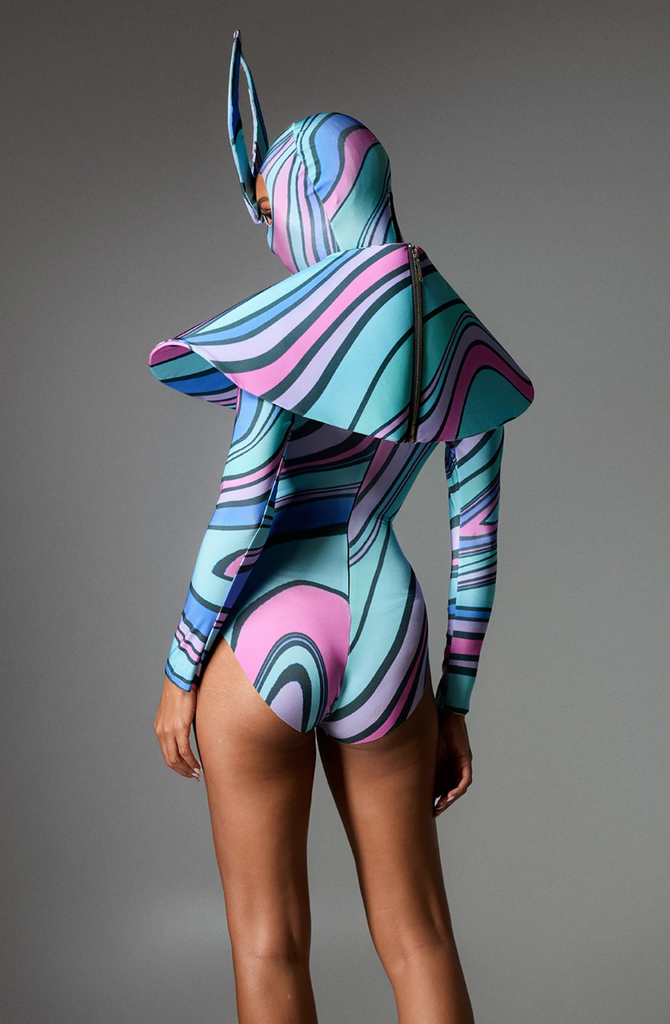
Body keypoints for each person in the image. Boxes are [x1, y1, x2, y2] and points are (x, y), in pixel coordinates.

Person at [149, 30, 535, 1024]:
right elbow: (475, 541)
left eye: (274, 211)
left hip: (269, 629)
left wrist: (180, 671)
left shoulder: (289, 332)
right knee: (419, 936)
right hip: (387, 629)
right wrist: (454, 702)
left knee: (268, 941)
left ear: (305, 204)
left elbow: (245, 511)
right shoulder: (455, 336)